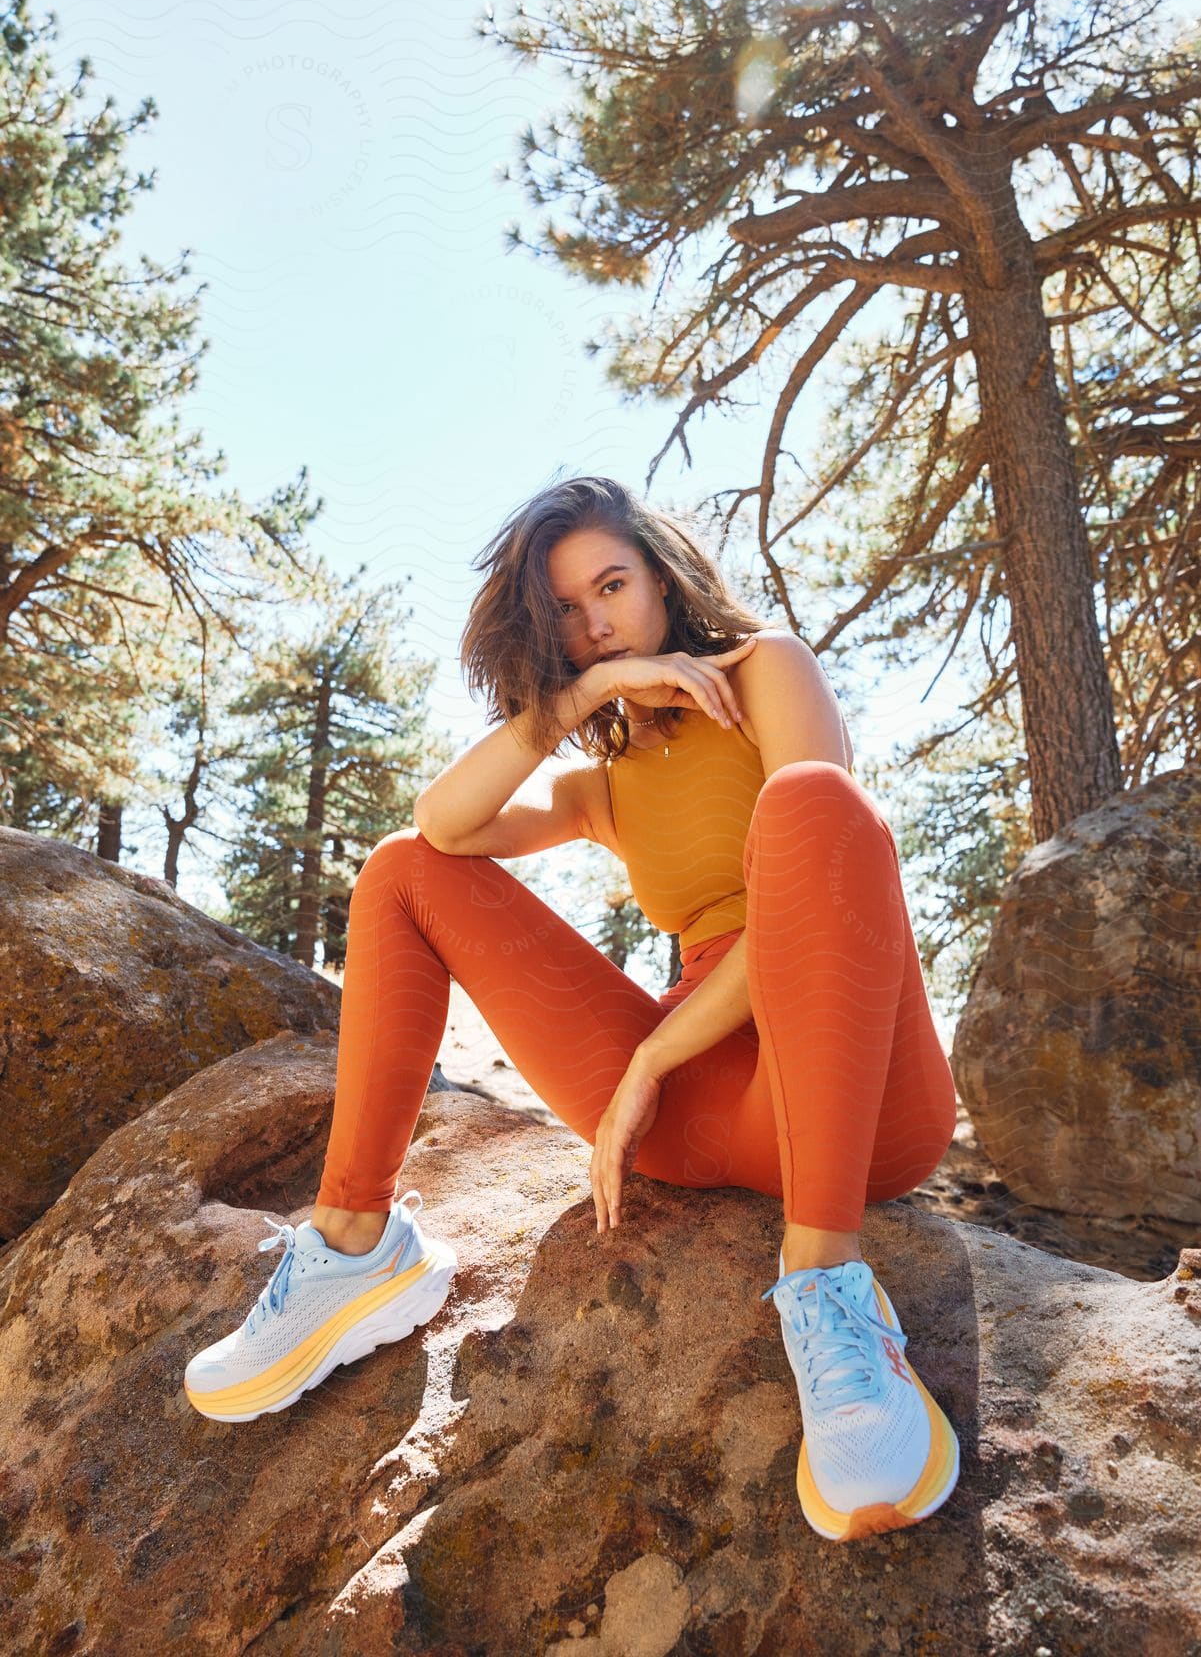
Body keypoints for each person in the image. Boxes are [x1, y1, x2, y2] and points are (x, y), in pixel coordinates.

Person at [185, 474, 960, 1542]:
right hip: (697, 1124)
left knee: (811, 805)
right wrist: (576, 703)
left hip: (851, 1096)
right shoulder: (605, 782)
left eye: (613, 585)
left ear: (663, 578)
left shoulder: (766, 671)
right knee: (402, 870)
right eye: (566, 608)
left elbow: (811, 905)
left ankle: (830, 1293)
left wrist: (650, 1060)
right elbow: (442, 825)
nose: (596, 621)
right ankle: (356, 1242)